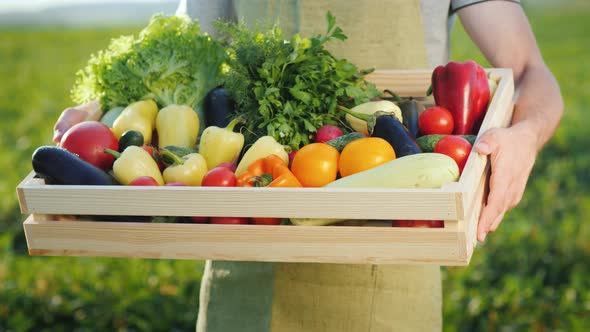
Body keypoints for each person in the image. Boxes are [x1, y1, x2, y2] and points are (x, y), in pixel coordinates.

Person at [53, 0, 563, 330]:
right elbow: (179, 51)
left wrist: (526, 135)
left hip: (394, 255)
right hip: (246, 248)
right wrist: (98, 112)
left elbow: (526, 70)